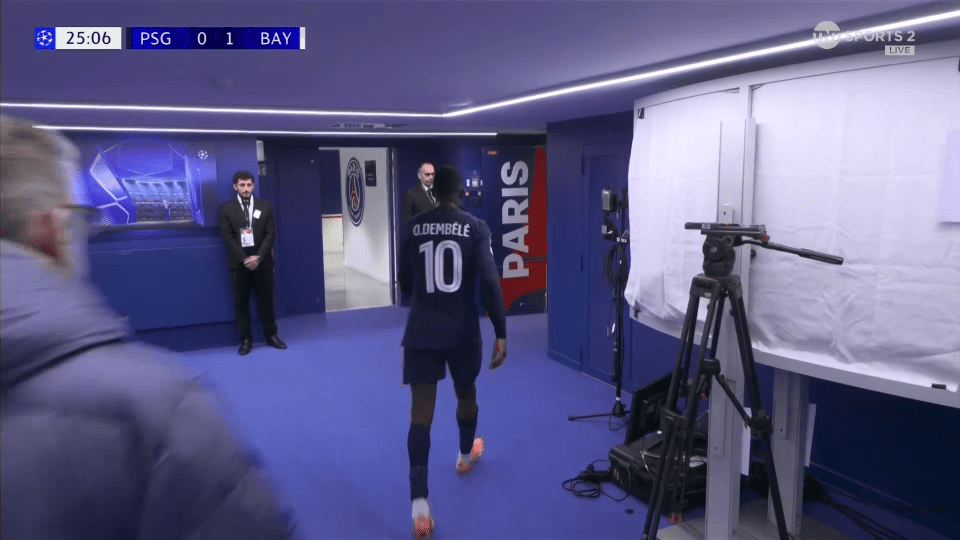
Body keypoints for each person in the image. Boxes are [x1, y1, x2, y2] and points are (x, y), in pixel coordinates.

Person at [0, 114, 298, 539]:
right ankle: (249, 337)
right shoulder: (158, 405)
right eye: (76, 220)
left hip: (259, 265)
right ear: (52, 230)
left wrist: (258, 255)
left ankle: (268, 333)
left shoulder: (151, 406)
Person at [397, 165, 508, 538]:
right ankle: (464, 457)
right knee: (467, 395)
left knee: (420, 414)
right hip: (462, 333)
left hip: (423, 331)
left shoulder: (412, 227)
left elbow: (406, 283)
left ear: (433, 189)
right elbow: (491, 283)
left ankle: (419, 508)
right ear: (460, 191)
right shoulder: (476, 227)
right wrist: (501, 332)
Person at [219, 171, 287, 355]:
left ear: (253, 185)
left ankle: (271, 336)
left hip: (262, 263)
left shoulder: (264, 207)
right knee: (241, 303)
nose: (246, 188)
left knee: (267, 302)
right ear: (235, 186)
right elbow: (228, 236)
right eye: (242, 185)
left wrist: (258, 256)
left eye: (249, 185)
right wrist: (244, 258)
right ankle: (246, 340)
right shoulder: (227, 208)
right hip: (239, 265)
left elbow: (270, 234)